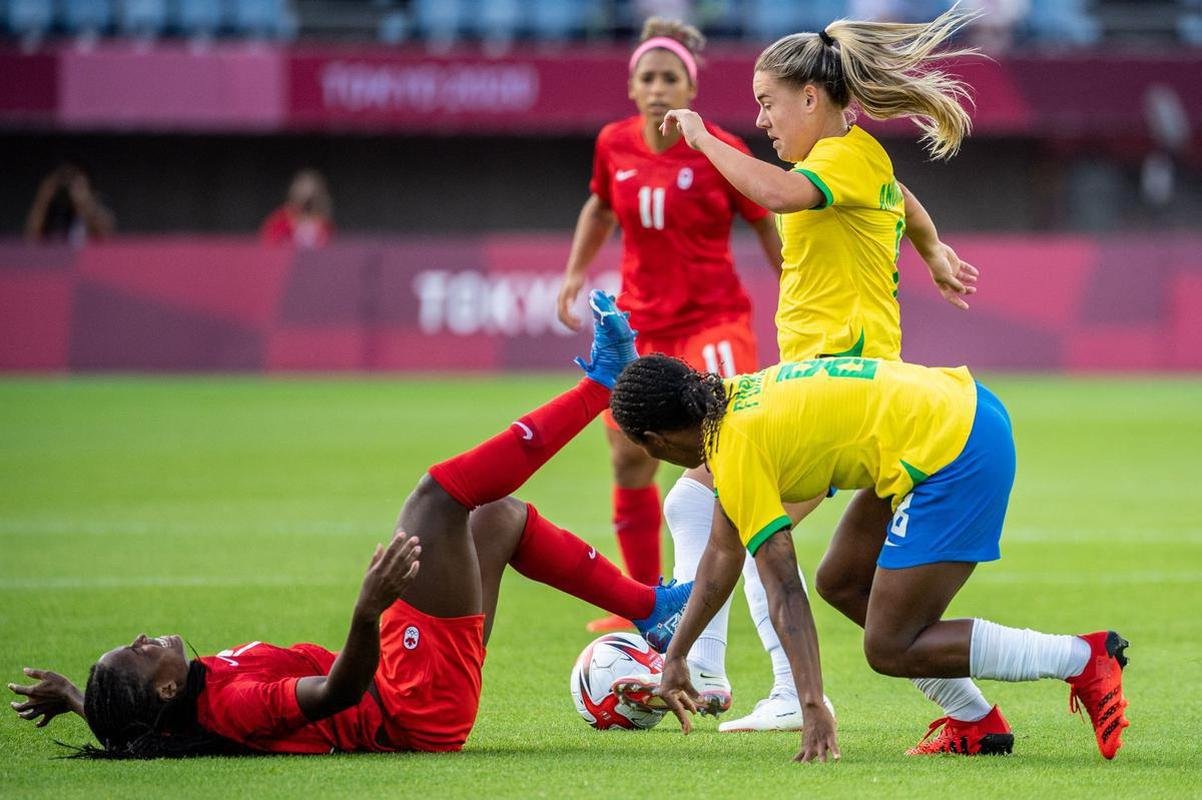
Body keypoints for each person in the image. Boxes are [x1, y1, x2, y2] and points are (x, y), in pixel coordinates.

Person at [7, 292, 693, 758]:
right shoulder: (231, 707)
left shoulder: (181, 698)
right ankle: (600, 386)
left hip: (405, 676)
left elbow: (135, 728)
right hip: (413, 703)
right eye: (137, 651)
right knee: (439, 495)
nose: (141, 638)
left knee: (498, 517)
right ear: (162, 688)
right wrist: (369, 609)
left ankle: (651, 610)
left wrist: (75, 696)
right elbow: (337, 693)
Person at [649, 7, 990, 739]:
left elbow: (772, 194)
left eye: (768, 102)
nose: (763, 119)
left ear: (811, 98)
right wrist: (929, 248)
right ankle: (969, 713)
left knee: (723, 522)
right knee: (716, 520)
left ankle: (758, 686)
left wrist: (707, 137)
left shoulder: (835, 162)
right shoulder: (856, 158)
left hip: (842, 381)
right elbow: (904, 197)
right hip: (822, 376)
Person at [608, 353, 1130, 763]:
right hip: (963, 405)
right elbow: (721, 556)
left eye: (649, 451)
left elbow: (784, 589)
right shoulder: (730, 402)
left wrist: (812, 703)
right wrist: (676, 657)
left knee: (889, 646)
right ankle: (974, 722)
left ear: (655, 439)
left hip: (957, 446)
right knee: (841, 581)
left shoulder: (735, 446)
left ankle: (1084, 658)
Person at [555, 19, 783, 642]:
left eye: (670, 78)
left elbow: (762, 215)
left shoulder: (717, 145)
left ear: (690, 86)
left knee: (725, 447)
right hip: (641, 327)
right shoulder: (613, 144)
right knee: (630, 456)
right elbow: (600, 206)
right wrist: (575, 273)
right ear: (632, 87)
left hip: (713, 319)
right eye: (648, 78)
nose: (658, 88)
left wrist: (791, 277)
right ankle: (645, 600)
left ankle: (739, 584)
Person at [25, 161, 115, 246]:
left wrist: (84, 203)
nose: (72, 189)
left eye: (78, 183)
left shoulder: (100, 205)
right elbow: (31, 239)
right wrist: (44, 197)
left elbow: (106, 235)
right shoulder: (59, 214)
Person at [260, 169, 334, 249]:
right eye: (303, 192)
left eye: (312, 194)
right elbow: (268, 244)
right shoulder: (280, 219)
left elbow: (330, 248)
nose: (307, 200)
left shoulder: (324, 223)